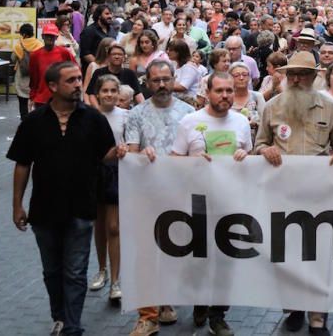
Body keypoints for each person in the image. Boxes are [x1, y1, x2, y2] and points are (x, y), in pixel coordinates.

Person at [7, 61, 119, 336]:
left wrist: (126, 151)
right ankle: (59, 316)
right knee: (52, 271)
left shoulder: (94, 119)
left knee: (75, 271)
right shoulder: (34, 121)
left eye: (79, 79)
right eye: (71, 80)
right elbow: (22, 164)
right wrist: (16, 204)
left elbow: (107, 154)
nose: (78, 84)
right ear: (53, 86)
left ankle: (71, 326)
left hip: (82, 207)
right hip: (44, 210)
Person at [253, 51, 333, 336]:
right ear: (285, 76)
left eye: (303, 74)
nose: (296, 79)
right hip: (283, 195)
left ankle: (318, 317)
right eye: (292, 73)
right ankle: (294, 307)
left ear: (313, 77)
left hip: (320, 194)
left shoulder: (328, 106)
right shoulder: (272, 107)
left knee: (320, 254)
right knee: (288, 254)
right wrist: (264, 149)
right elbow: (259, 143)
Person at [171, 71, 250, 336]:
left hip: (231, 203)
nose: (226, 95)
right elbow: (172, 161)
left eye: (229, 90)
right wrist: (192, 163)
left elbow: (250, 160)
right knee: (198, 260)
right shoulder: (190, 122)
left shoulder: (241, 122)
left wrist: (245, 156)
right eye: (220, 91)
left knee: (226, 261)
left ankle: (218, 315)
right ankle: (200, 301)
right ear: (208, 91)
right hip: (198, 204)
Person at [122, 60, 195, 336]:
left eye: (166, 79)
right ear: (147, 82)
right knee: (145, 253)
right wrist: (142, 155)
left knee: (174, 252)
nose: (162, 85)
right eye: (156, 80)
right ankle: (147, 315)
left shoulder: (189, 113)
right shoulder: (136, 114)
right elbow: (130, 153)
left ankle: (166, 299)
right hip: (146, 194)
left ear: (174, 79)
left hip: (180, 194)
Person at [87, 75, 126, 303]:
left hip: (116, 173)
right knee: (99, 225)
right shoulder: (90, 116)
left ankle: (116, 280)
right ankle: (102, 269)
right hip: (95, 173)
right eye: (105, 91)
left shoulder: (126, 116)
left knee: (113, 227)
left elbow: (130, 142)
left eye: (113, 90)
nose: (109, 95)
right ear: (98, 93)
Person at [27, 22, 76, 111]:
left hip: (61, 97)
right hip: (41, 99)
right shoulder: (35, 55)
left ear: (56, 37)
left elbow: (75, 70)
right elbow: (34, 78)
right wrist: (32, 96)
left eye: (52, 36)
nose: (49, 38)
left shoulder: (64, 53)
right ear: (42, 36)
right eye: (47, 35)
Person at [85, 44, 142, 110]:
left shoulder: (130, 73)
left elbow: (138, 94)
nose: (117, 56)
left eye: (120, 54)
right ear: (108, 57)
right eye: (114, 54)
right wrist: (98, 110)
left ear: (124, 57)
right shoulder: (99, 72)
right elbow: (91, 94)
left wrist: (144, 109)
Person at [13, 23, 44, 119]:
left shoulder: (18, 46)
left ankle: (24, 120)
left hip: (22, 75)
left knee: (22, 99)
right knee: (36, 99)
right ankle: (36, 119)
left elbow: (13, 58)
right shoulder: (39, 44)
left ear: (24, 34)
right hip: (36, 75)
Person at [167, 39, 203, 107]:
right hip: (176, 103)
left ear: (178, 52)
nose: (167, 52)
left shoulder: (190, 67)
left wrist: (163, 85)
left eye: (170, 50)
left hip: (189, 104)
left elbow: (182, 87)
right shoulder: (174, 64)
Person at [79, 5, 116, 69]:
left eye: (111, 14)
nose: (110, 16)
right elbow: (86, 54)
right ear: (99, 16)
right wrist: (99, 66)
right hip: (93, 69)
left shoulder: (112, 30)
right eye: (107, 14)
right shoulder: (89, 31)